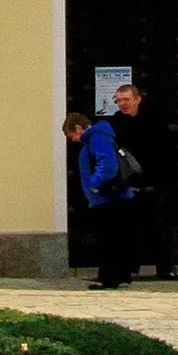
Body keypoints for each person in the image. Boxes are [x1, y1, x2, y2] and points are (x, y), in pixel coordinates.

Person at [63, 107, 139, 289]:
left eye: (70, 134)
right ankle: (121, 274)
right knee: (117, 237)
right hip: (113, 197)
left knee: (108, 238)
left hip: (109, 198)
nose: (72, 140)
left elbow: (108, 166)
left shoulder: (96, 138)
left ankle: (108, 278)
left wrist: (93, 184)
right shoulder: (99, 136)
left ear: (78, 128)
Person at [112, 78, 178, 277]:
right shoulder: (116, 122)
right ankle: (130, 268)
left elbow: (165, 150)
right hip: (129, 182)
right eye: (119, 100)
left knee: (156, 226)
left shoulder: (153, 121)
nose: (123, 103)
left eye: (126, 99)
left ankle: (165, 268)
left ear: (137, 99)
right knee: (129, 228)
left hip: (154, 180)